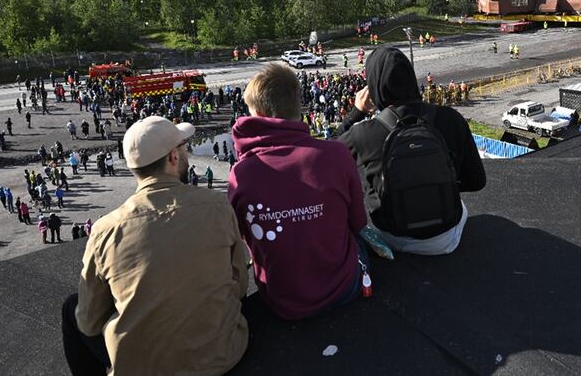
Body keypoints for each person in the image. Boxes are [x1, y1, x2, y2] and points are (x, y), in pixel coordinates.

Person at [62, 116, 249, 376]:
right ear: (173, 156)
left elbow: (88, 322)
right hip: (221, 356)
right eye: (184, 146)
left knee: (71, 307)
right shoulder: (217, 206)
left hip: (141, 368)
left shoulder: (105, 230)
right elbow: (240, 286)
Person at [228, 63, 369, 319]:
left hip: (280, 300)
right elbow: (359, 223)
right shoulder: (336, 154)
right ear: (297, 105)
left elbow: (241, 239)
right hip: (343, 288)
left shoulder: (241, 174)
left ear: (257, 114)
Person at [337, 46, 486, 255]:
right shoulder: (451, 118)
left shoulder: (361, 134)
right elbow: (477, 181)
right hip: (446, 236)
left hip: (392, 236)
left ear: (373, 86)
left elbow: (324, 156)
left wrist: (355, 114)